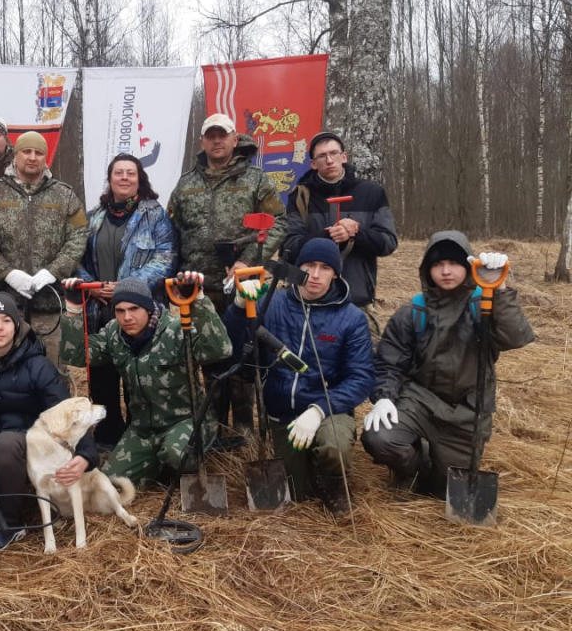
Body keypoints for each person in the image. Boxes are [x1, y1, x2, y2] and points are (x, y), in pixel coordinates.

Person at [360, 232, 534, 498]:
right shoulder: (412, 312)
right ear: (427, 270)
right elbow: (389, 364)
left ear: (467, 267)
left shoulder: (485, 306)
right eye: (438, 264)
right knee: (379, 437)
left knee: (443, 490)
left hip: (467, 410)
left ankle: (435, 464)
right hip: (419, 402)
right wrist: (384, 397)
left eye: (453, 264)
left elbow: (515, 337)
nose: (446, 271)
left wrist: (499, 289)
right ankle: (411, 468)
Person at [222, 238, 375, 516]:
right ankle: (308, 471)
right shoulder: (272, 303)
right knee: (297, 493)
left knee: (334, 447)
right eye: (309, 266)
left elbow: (361, 378)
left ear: (335, 273)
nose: (315, 275)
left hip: (329, 411)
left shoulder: (351, 318)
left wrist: (319, 410)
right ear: (296, 268)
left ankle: (334, 485)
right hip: (282, 414)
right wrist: (239, 308)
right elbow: (235, 350)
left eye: (325, 268)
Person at [0, 292, 99, 551]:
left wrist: (85, 455)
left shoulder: (38, 366)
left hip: (31, 452)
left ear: (16, 325)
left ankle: (12, 523)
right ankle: (17, 499)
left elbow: (68, 413)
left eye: (6, 320)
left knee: (6, 443)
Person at [167, 113, 287, 435]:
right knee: (209, 355)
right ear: (202, 141)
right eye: (211, 136)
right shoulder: (185, 185)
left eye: (223, 135)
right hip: (200, 288)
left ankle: (244, 427)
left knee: (243, 352)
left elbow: (279, 223)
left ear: (235, 139)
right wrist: (176, 275)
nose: (217, 141)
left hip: (243, 285)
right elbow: (172, 232)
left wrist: (245, 262)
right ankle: (216, 426)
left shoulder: (256, 180)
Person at [59, 273, 232, 486]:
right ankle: (157, 463)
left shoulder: (176, 330)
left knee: (177, 455)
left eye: (134, 309)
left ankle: (172, 460)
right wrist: (74, 309)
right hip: (143, 429)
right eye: (120, 310)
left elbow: (219, 350)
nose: (127, 317)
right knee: (111, 483)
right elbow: (76, 356)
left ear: (148, 308)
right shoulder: (114, 333)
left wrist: (197, 300)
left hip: (184, 421)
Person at [74, 153, 177, 449]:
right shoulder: (93, 217)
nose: (124, 178)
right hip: (100, 310)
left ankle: (140, 436)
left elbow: (166, 258)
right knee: (102, 377)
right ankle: (108, 436)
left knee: (139, 376)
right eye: (118, 173)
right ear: (109, 179)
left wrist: (126, 289)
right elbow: (76, 258)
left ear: (139, 178)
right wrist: (92, 287)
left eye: (130, 173)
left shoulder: (155, 215)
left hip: (140, 312)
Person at [0, 131, 89, 358]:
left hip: (51, 307)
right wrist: (7, 273)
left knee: (52, 370)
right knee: (7, 370)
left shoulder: (64, 195)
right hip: (5, 308)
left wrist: (54, 271)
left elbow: (79, 235)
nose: (32, 157)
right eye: (26, 151)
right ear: (15, 155)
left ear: (45, 157)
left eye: (38, 153)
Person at [280, 131, 398, 339]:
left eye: (334, 153)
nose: (329, 160)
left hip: (357, 301)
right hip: (308, 303)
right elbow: (288, 249)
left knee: (362, 358)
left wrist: (356, 233)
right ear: (313, 164)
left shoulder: (372, 192)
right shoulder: (300, 196)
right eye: (322, 156)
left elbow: (388, 242)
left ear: (344, 157)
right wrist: (328, 235)